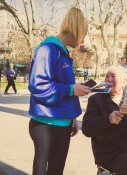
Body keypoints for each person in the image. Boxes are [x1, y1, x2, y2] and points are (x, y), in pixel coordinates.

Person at [28, 7, 91, 175]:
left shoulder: (61, 53)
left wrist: (71, 117)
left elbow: (63, 87)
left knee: (57, 170)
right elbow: (38, 86)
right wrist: (72, 89)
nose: (83, 40)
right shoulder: (48, 50)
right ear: (76, 30)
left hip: (61, 121)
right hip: (45, 122)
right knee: (44, 169)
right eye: (83, 34)